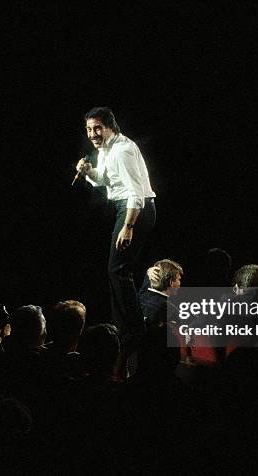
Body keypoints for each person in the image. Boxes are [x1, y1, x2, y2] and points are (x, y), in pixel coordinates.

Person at [75, 107, 156, 356]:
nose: (92, 134)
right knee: (117, 271)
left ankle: (134, 330)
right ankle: (123, 328)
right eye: (89, 129)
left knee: (118, 270)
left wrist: (128, 226)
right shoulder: (107, 149)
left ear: (110, 126)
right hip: (128, 209)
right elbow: (106, 179)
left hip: (135, 210)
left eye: (97, 127)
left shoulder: (122, 150)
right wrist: (88, 172)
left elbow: (136, 192)